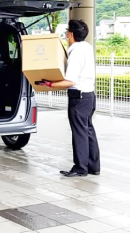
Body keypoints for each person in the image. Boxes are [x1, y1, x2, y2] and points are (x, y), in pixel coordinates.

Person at [39, 19, 100, 178]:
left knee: (79, 132)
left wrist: (49, 84)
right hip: (89, 96)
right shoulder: (87, 47)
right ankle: (93, 166)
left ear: (71, 34)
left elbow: (70, 81)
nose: (66, 34)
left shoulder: (76, 52)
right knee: (88, 130)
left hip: (78, 97)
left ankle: (80, 168)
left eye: (67, 31)